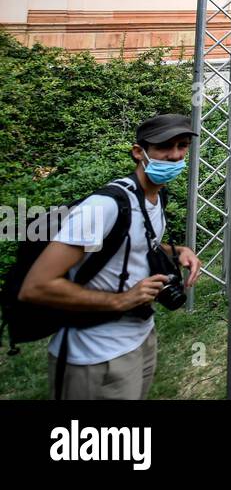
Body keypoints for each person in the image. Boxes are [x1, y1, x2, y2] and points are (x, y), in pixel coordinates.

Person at [18, 114, 202, 400]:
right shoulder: (105, 207)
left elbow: (138, 244)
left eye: (182, 146)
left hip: (140, 339)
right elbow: (36, 286)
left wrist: (177, 252)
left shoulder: (154, 197)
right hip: (95, 354)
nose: (175, 155)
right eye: (164, 146)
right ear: (139, 152)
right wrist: (121, 300)